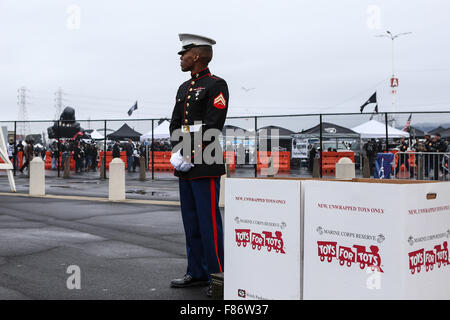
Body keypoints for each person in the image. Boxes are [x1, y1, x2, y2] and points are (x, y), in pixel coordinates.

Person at [169, 33, 229, 297]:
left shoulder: (217, 84)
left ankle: (218, 276)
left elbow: (213, 124)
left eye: (184, 54)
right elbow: (175, 123)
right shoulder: (183, 88)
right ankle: (196, 271)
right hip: (185, 162)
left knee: (209, 222)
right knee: (190, 221)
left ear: (195, 55)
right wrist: (177, 151)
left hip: (205, 159)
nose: (181, 58)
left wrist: (190, 151)